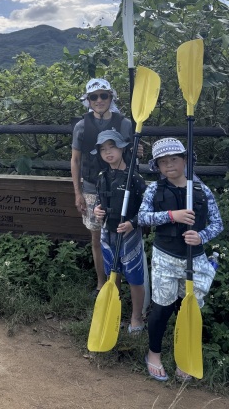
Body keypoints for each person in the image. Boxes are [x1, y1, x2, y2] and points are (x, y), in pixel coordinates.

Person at [138, 138, 223, 382]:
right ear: (157, 166)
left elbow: (217, 223)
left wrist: (201, 236)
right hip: (165, 257)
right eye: (163, 161)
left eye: (174, 159)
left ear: (185, 160)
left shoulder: (201, 190)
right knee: (161, 308)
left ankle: (184, 356)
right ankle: (154, 354)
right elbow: (142, 217)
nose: (169, 165)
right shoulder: (154, 189)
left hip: (193, 258)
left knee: (189, 308)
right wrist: (171, 215)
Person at [71, 78, 133, 296]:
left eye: (103, 95)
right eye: (93, 96)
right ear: (88, 100)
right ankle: (101, 284)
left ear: (110, 97)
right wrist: (77, 192)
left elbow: (131, 155)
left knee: (118, 236)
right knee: (96, 239)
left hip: (117, 187)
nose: (99, 100)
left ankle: (118, 284)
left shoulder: (124, 123)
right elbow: (75, 160)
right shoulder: (81, 126)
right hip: (90, 188)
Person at [92, 130, 146, 332]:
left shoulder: (135, 178)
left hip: (129, 235)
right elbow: (99, 201)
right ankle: (114, 310)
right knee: (112, 274)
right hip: (108, 233)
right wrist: (97, 210)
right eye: (103, 149)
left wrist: (132, 223)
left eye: (112, 147)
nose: (108, 152)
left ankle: (136, 317)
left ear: (122, 148)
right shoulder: (102, 176)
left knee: (134, 277)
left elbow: (146, 210)